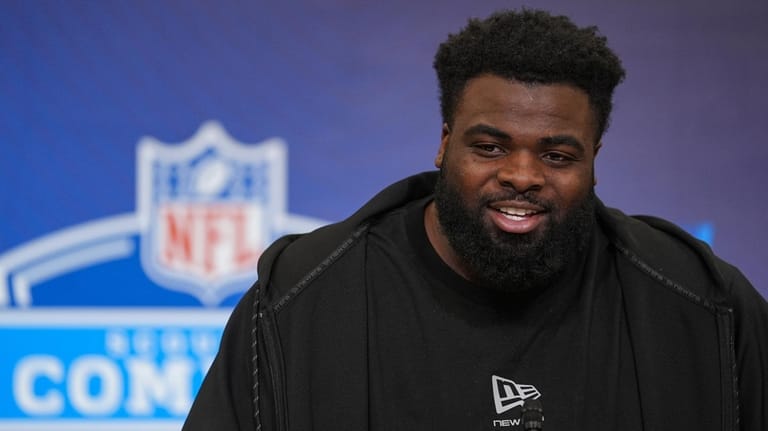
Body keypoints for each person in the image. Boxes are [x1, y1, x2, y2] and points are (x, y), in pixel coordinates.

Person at [183, 9, 768, 430]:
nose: (521, 174)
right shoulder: (301, 298)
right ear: (443, 144)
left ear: (593, 163)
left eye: (557, 155)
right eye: (489, 147)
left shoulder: (703, 303)